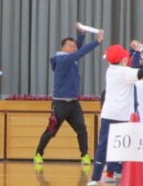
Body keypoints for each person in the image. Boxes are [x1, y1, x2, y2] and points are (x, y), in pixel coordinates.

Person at [87, 44, 143, 186]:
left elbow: (136, 69)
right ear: (124, 60)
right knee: (122, 146)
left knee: (103, 146)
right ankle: (116, 174)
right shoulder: (125, 72)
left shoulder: (110, 70)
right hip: (124, 116)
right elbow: (141, 73)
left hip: (108, 114)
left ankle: (95, 178)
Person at [34, 23, 104, 167]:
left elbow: (78, 49)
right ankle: (38, 154)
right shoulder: (63, 60)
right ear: (63, 48)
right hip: (60, 103)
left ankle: (84, 156)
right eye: (71, 46)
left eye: (74, 46)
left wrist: (81, 34)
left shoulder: (69, 57)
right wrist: (97, 41)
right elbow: (80, 52)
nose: (74, 48)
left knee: (82, 130)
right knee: (51, 131)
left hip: (73, 103)